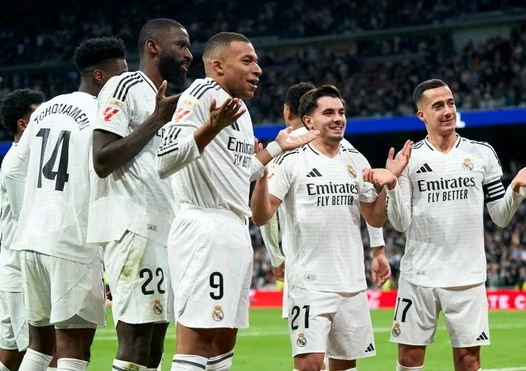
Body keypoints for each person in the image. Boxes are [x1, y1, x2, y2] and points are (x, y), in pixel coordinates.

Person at [155, 32, 318, 371]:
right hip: (203, 229)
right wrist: (209, 128)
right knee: (197, 339)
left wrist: (276, 148)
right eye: (247, 61)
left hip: (234, 228)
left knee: (222, 341)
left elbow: (240, 175)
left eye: (256, 61)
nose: (257, 69)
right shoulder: (199, 95)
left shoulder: (240, 110)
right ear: (216, 66)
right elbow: (165, 160)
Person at [250, 85, 400, 371]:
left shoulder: (356, 160)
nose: (338, 118)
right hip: (308, 284)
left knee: (344, 365)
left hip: (351, 283)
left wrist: (386, 187)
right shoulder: (291, 159)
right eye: (328, 112)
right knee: (309, 365)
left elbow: (375, 218)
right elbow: (261, 216)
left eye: (341, 112)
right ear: (309, 121)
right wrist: (260, 178)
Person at [383, 79, 526, 371]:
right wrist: (393, 183)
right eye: (438, 106)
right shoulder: (410, 158)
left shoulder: (482, 153)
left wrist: (516, 190)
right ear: (421, 114)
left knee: (469, 361)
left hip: (467, 276)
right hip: (418, 275)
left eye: (450, 103)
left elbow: (499, 216)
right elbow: (399, 223)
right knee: (409, 358)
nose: (447, 110)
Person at [9, 37, 127, 371]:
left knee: (39, 346)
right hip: (71, 241)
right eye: (121, 73)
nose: (125, 82)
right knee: (74, 349)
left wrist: (29, 212)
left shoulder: (45, 109)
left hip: (31, 238)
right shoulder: (104, 115)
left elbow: (16, 169)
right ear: (101, 76)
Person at [89, 18, 192, 371]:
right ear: (152, 47)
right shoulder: (125, 85)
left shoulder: (163, 99)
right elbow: (101, 160)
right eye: (180, 45)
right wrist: (156, 121)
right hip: (134, 228)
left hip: (164, 230)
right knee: (134, 343)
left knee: (153, 346)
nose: (188, 55)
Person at [0, 88, 45, 371]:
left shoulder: (31, 161)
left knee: (11, 355)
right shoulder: (16, 165)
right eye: (39, 115)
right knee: (40, 350)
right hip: (20, 266)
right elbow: (28, 217)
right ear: (23, 124)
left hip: (17, 264)